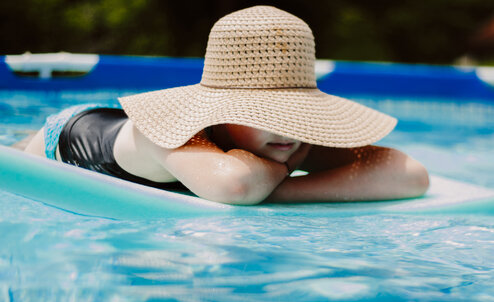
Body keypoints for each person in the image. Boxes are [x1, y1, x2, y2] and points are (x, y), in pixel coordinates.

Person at [23, 5, 429, 205]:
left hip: (110, 120)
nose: (286, 129)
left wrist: (285, 187)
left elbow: (409, 175)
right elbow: (235, 186)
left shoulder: (278, 141)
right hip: (64, 138)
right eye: (264, 114)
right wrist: (286, 173)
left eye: (294, 115)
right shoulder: (170, 134)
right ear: (223, 108)